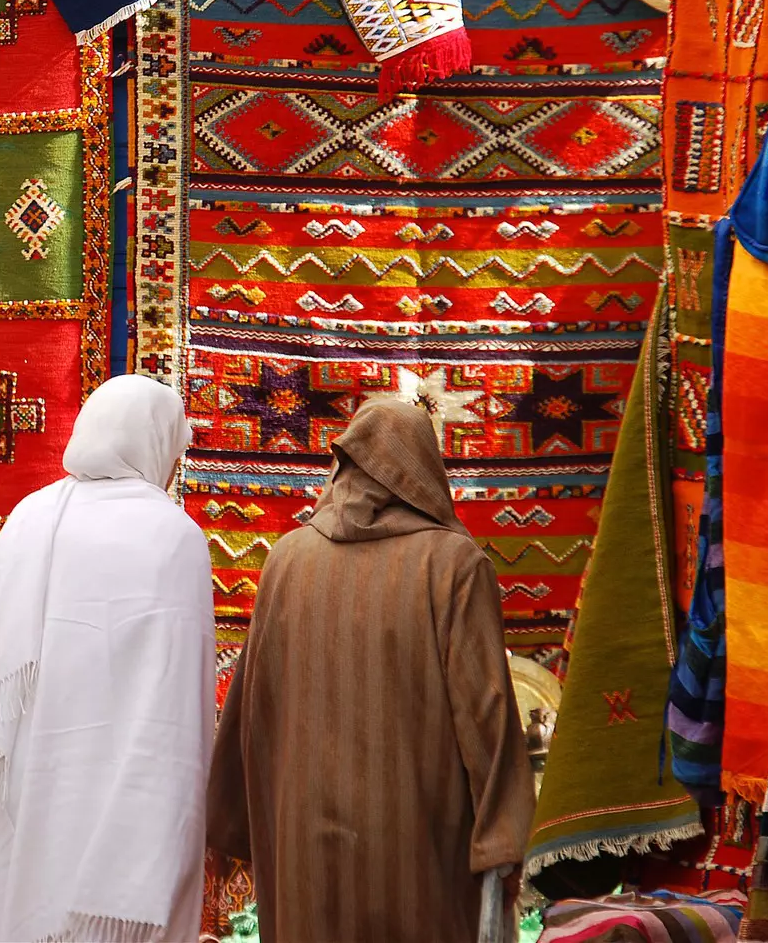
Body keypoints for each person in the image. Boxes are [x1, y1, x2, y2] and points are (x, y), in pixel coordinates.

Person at [206, 396, 535, 943]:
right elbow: (487, 715)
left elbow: (251, 709)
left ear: (344, 466)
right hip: (415, 853)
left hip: (303, 855)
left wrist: (238, 820)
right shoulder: (453, 566)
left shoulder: (286, 559)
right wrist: (505, 839)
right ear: (425, 470)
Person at [0, 375, 215, 943]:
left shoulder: (33, 517)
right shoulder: (176, 538)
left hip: (32, 781)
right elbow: (183, 707)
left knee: (23, 903)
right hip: (134, 794)